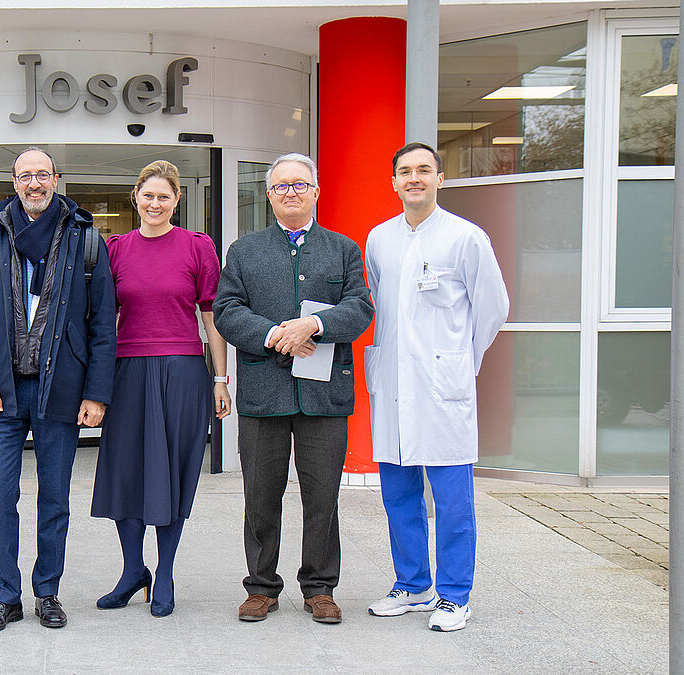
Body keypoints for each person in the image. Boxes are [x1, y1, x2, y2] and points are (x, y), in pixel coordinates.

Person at [0, 147, 116, 632]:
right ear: (13, 181)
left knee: (54, 498)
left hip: (62, 391)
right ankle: (6, 595)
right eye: (25, 175)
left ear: (55, 180)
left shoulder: (86, 241)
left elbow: (103, 327)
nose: (34, 183)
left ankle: (47, 592)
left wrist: (96, 393)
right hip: (1, 395)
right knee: (0, 495)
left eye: (42, 175)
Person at [213, 152, 373, 625]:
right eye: (281, 186)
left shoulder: (342, 249)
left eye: (300, 184)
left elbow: (360, 306)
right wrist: (275, 335)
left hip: (324, 397)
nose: (291, 192)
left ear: (316, 192)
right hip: (265, 394)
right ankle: (261, 587)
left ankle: (319, 587)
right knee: (260, 495)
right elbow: (226, 309)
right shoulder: (244, 251)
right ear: (268, 195)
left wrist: (314, 325)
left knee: (322, 497)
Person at [364, 142, 508, 632]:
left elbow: (492, 309)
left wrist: (461, 360)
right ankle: (412, 583)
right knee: (398, 494)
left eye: (424, 170)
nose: (414, 178)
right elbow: (382, 304)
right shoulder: (379, 239)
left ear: (440, 178)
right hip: (394, 384)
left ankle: (453, 595)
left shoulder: (467, 238)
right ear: (394, 182)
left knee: (451, 500)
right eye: (405, 171)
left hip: (443, 386)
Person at [90, 160, 230, 618]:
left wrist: (220, 379)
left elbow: (212, 318)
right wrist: (95, 385)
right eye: (148, 195)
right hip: (126, 370)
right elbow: (102, 322)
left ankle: (165, 570)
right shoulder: (116, 249)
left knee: (173, 472)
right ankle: (134, 571)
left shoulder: (197, 247)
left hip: (183, 372)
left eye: (164, 196)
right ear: (136, 197)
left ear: (176, 201)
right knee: (126, 472)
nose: (155, 203)